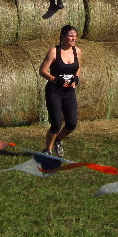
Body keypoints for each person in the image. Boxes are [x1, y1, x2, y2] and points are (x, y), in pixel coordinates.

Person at [39, 25, 82, 157]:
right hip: (54, 92)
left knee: (72, 123)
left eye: (74, 35)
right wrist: (54, 79)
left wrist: (76, 79)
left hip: (69, 92)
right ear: (63, 37)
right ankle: (47, 149)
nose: (73, 38)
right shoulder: (54, 51)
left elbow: (78, 67)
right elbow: (42, 71)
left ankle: (58, 140)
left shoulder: (77, 51)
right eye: (70, 35)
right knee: (56, 124)